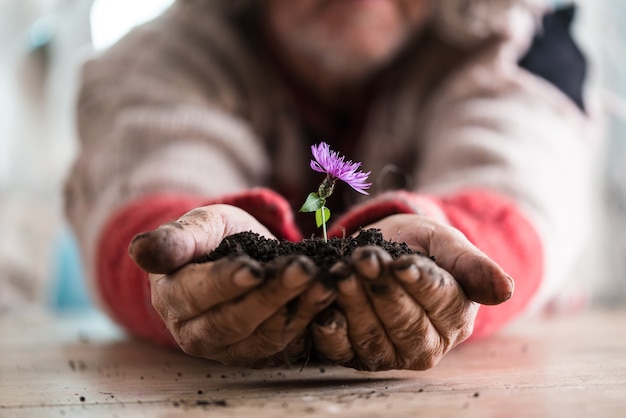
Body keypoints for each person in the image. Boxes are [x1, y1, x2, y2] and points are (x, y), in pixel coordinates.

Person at [64, 0, 596, 371]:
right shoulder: (162, 58)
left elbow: (518, 184)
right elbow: (151, 183)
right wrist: (194, 257)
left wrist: (445, 247)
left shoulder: (522, 41)